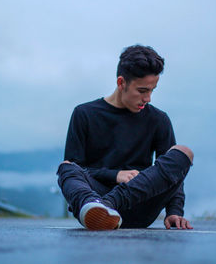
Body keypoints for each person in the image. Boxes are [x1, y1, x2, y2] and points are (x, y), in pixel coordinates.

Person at [57, 45, 194, 230]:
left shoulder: (159, 120)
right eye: (142, 90)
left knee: (183, 153)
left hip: (139, 205)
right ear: (121, 83)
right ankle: (96, 208)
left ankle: (106, 206)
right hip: (93, 201)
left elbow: (172, 175)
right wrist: (115, 175)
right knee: (67, 167)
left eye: (152, 90)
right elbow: (77, 169)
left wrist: (174, 211)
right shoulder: (84, 114)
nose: (148, 98)